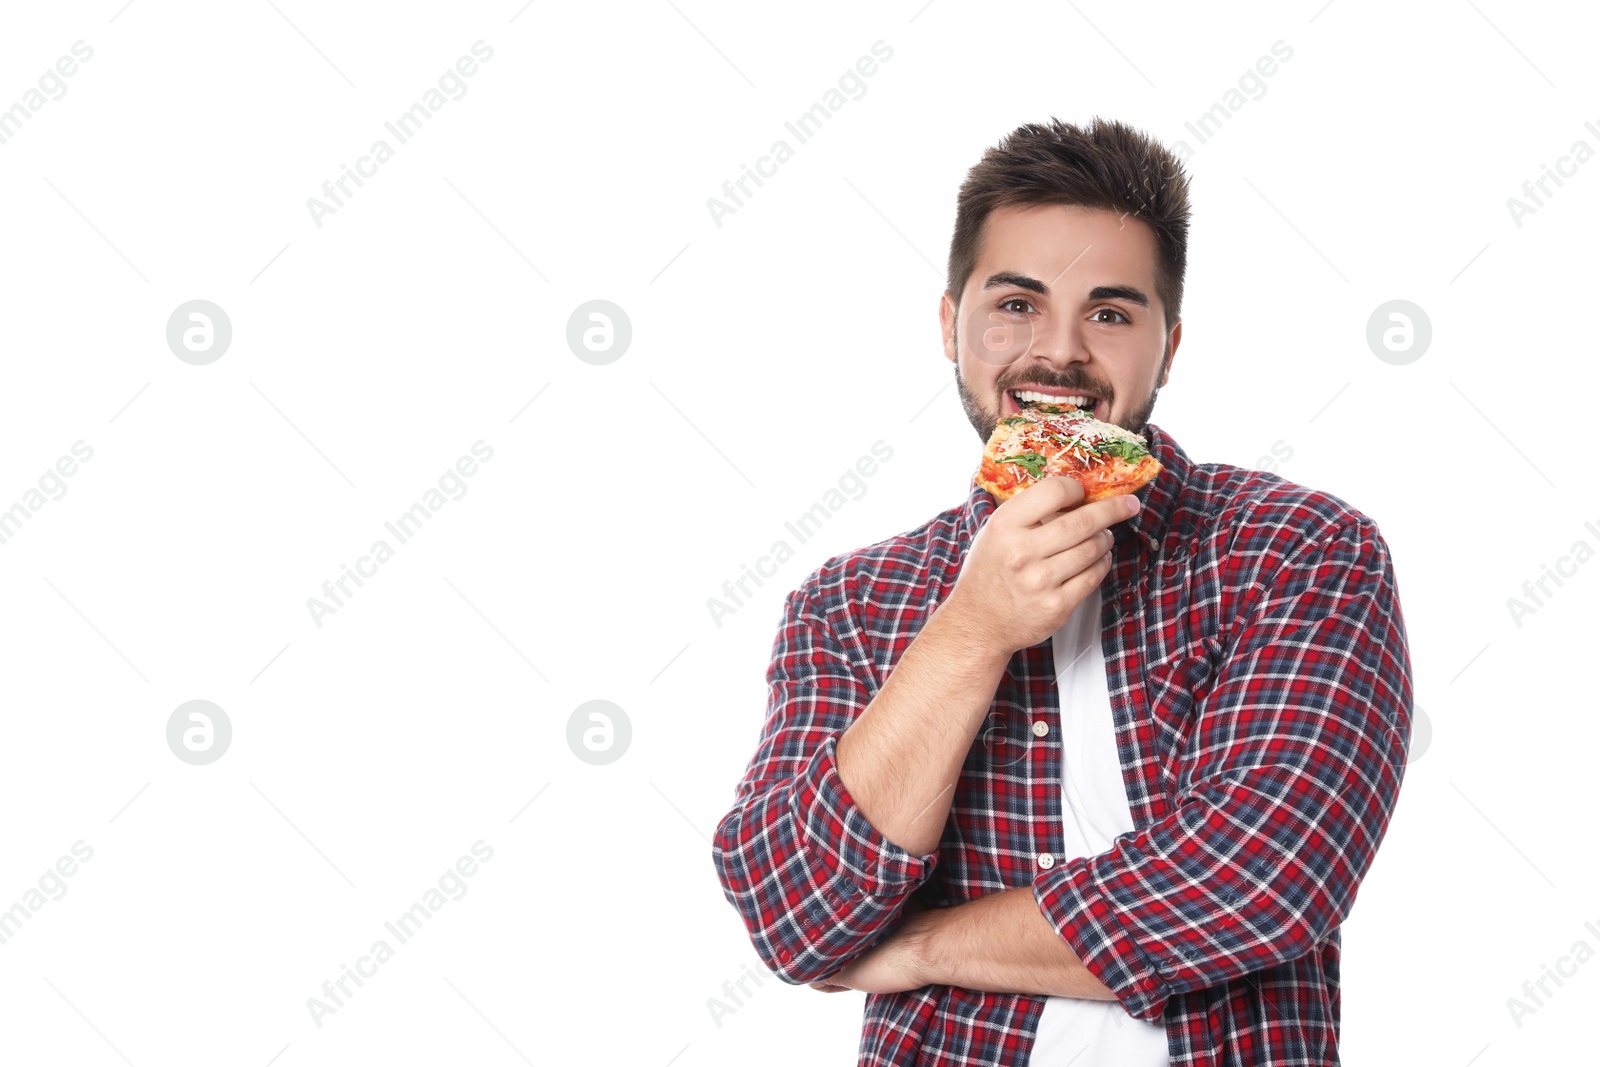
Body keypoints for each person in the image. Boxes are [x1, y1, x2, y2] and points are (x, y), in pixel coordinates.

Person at [711, 115, 1413, 1067]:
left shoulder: (1298, 552)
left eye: (1112, 313)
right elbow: (795, 917)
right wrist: (971, 631)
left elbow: (1259, 881)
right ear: (950, 324)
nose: (1061, 354)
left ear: (1168, 349)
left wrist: (920, 944)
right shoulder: (849, 603)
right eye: (1017, 305)